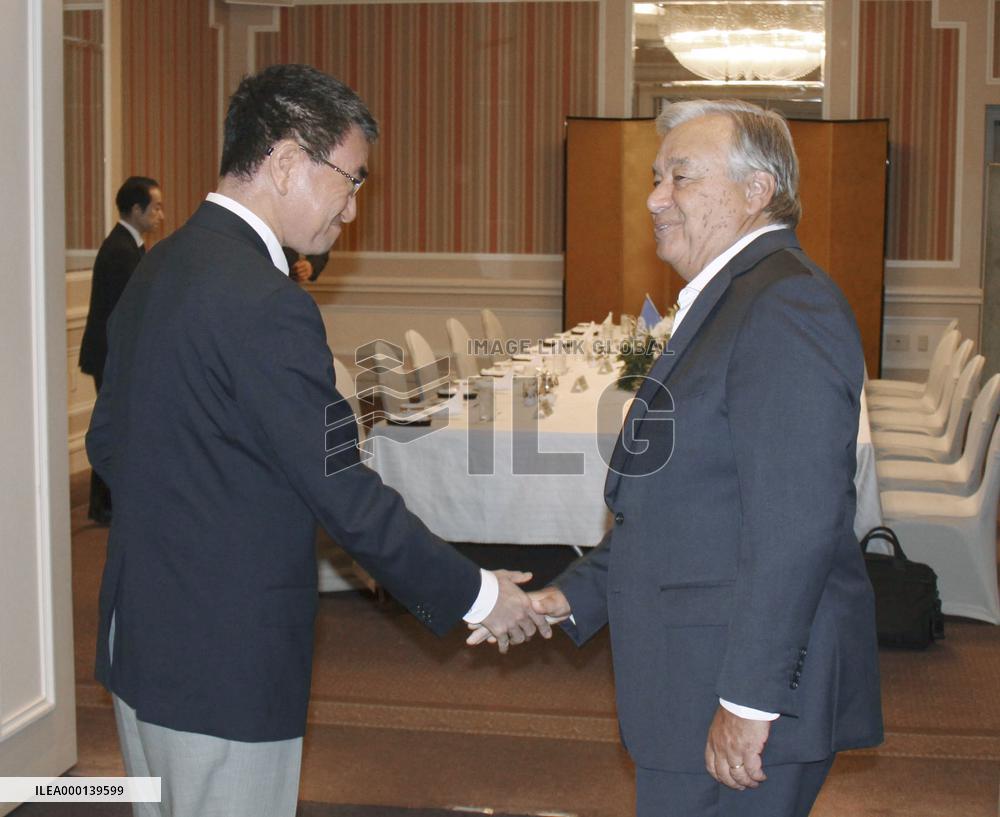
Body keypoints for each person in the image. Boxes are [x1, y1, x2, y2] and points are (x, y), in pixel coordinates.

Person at [86, 64, 548, 817]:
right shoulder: (268, 304)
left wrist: (200, 510)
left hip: (141, 635)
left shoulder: (159, 265)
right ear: (287, 163)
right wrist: (478, 593)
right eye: (352, 180)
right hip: (224, 657)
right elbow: (345, 491)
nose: (353, 210)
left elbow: (110, 441)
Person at [519, 100, 884, 816]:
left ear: (757, 193)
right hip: (696, 672)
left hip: (740, 693)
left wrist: (749, 699)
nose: (655, 198)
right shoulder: (739, 297)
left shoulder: (783, 306)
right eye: (657, 177)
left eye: (681, 178)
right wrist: (569, 596)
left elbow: (795, 527)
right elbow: (685, 503)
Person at [78, 176, 164, 524]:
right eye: (156, 207)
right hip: (110, 355)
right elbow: (124, 313)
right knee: (113, 428)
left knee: (115, 426)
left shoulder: (131, 247)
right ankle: (104, 506)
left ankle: (105, 503)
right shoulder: (119, 250)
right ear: (135, 209)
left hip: (114, 354)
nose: (161, 214)